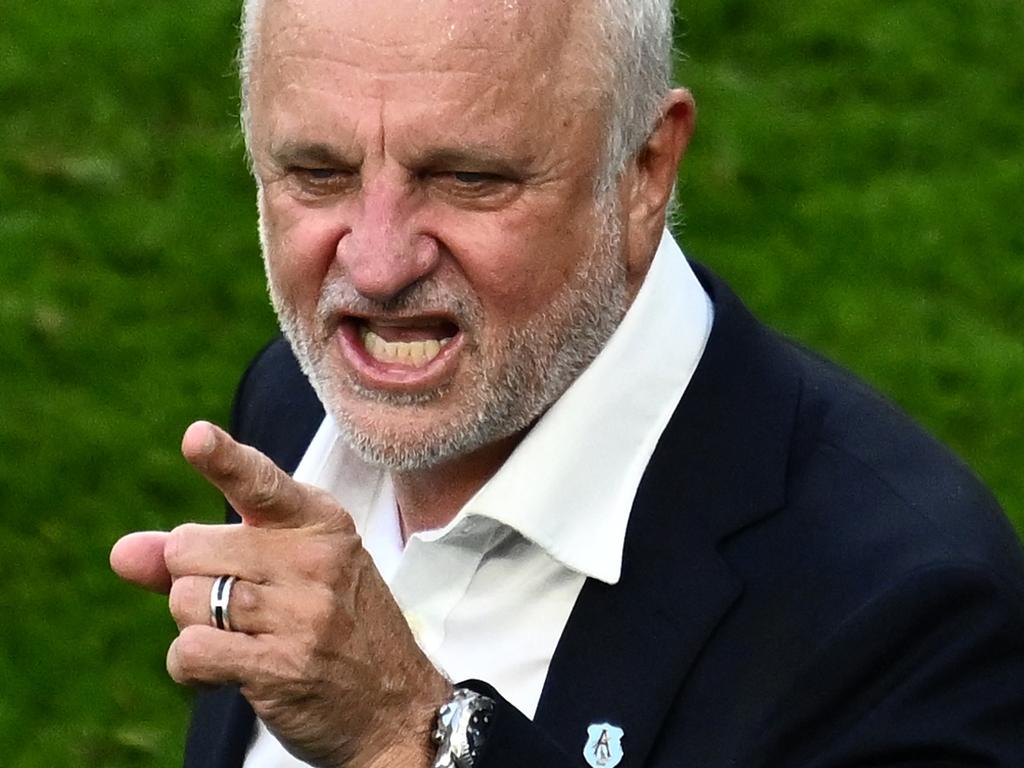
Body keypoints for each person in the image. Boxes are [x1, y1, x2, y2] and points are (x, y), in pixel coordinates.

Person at [110, 0, 1024, 766]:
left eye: (467, 178)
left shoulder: (908, 616)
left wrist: (409, 737)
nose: (378, 266)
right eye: (317, 173)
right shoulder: (292, 403)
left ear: (645, 170)